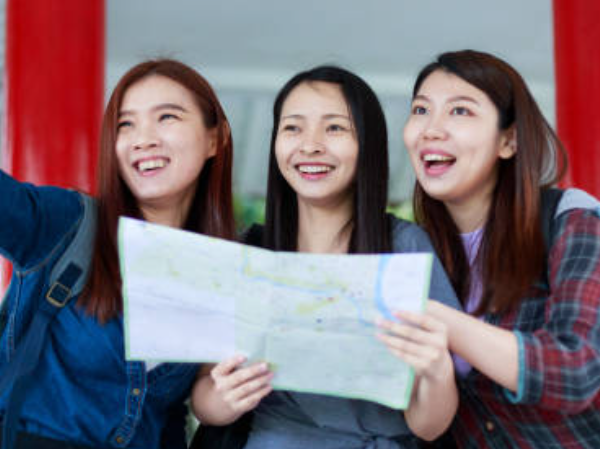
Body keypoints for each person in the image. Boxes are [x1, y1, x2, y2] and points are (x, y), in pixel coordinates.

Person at [191, 66, 460, 449]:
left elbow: (429, 427)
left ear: (367, 144)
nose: (310, 145)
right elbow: (205, 401)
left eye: (334, 128)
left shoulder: (404, 247)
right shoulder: (251, 252)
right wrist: (224, 399)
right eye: (293, 128)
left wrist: (437, 372)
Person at [0, 59, 235, 448]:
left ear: (216, 138)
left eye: (167, 117)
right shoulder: (67, 223)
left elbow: (165, 415)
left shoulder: (217, 271)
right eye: (126, 124)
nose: (143, 139)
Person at [400, 49, 600, 448]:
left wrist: (437, 318)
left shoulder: (571, 220)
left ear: (508, 140)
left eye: (460, 111)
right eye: (421, 110)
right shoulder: (410, 252)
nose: (431, 129)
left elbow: (577, 370)